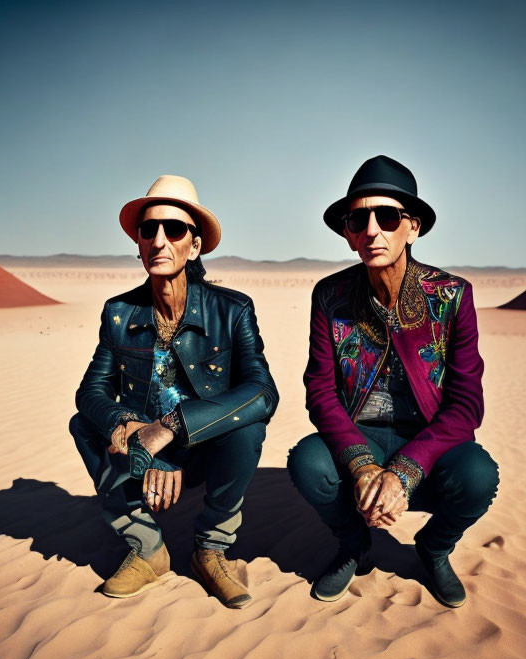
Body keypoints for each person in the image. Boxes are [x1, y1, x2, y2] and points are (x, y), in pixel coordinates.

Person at [287, 155, 499, 607]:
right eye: (357, 220)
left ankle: (434, 548)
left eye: (386, 217)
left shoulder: (451, 296)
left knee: (479, 476)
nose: (371, 230)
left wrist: (404, 472)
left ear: (413, 227)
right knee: (308, 462)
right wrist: (362, 463)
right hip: (360, 431)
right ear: (347, 233)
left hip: (429, 437)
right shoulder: (330, 295)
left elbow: (466, 405)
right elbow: (320, 389)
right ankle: (353, 545)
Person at [70, 175, 278, 609]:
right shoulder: (119, 313)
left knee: (248, 429)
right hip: (144, 449)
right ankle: (148, 550)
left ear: (195, 246)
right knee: (84, 425)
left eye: (174, 230)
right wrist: (125, 424)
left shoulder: (232, 310)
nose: (160, 241)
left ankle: (210, 550)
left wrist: (170, 428)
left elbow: (262, 392)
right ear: (139, 244)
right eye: (149, 230)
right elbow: (90, 391)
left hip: (204, 446)